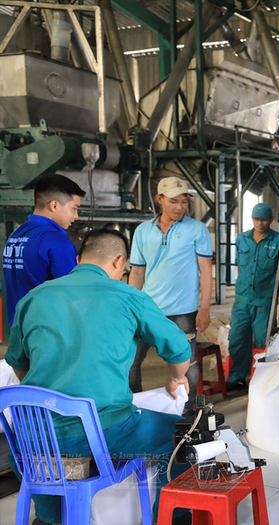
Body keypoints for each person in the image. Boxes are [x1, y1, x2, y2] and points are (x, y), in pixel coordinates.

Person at [5, 228, 192, 525]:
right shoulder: (129, 296)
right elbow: (180, 351)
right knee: (184, 437)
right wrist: (174, 377)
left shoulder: (34, 298)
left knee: (33, 448)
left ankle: (49, 519)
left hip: (35, 436)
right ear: (119, 261)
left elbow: (18, 365)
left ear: (79, 259)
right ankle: (170, 519)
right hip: (104, 432)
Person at [128, 177, 213, 413]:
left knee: (188, 362)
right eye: (173, 201)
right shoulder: (143, 230)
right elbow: (137, 272)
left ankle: (188, 412)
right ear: (160, 199)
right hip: (147, 309)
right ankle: (133, 408)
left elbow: (206, 270)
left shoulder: (196, 229)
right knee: (130, 361)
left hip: (183, 310)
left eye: (184, 202)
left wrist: (205, 307)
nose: (179, 207)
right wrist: (131, 306)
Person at [227, 202, 279, 390]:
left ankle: (262, 378)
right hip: (242, 300)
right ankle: (236, 378)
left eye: (264, 220)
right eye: (256, 219)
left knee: (264, 341)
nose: (259, 223)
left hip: (265, 301)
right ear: (252, 219)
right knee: (237, 340)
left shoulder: (278, 240)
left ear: (271, 220)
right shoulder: (242, 239)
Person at [3, 174, 85, 327]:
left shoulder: (15, 235)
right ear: (54, 205)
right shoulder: (57, 240)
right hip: (46, 331)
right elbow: (72, 293)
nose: (76, 216)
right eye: (74, 208)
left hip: (17, 328)